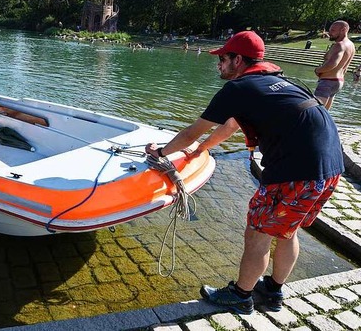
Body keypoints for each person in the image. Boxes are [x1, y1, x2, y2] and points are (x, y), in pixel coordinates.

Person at [145, 31, 343, 314]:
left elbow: (191, 131)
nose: (219, 65)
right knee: (288, 231)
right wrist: (204, 149)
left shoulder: (239, 89)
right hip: (330, 165)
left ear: (238, 60)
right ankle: (273, 292)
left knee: (257, 233)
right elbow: (231, 126)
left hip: (295, 170)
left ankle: (240, 296)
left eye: (223, 59)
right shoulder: (275, 81)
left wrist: (161, 153)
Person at [314, 20, 356, 109]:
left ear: (343, 30)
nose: (329, 33)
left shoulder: (340, 45)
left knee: (316, 111)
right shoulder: (351, 45)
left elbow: (332, 64)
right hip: (338, 82)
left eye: (333, 30)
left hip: (328, 81)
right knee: (325, 112)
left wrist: (318, 70)